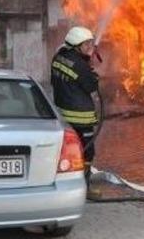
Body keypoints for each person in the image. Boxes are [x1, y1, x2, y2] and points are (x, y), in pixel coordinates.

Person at [50, 26, 100, 184]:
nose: (89, 48)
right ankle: (84, 182)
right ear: (76, 46)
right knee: (87, 151)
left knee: (67, 148)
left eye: (90, 44)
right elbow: (91, 86)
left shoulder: (58, 57)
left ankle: (64, 176)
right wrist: (90, 68)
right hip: (80, 117)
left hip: (63, 113)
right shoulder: (80, 65)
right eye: (86, 45)